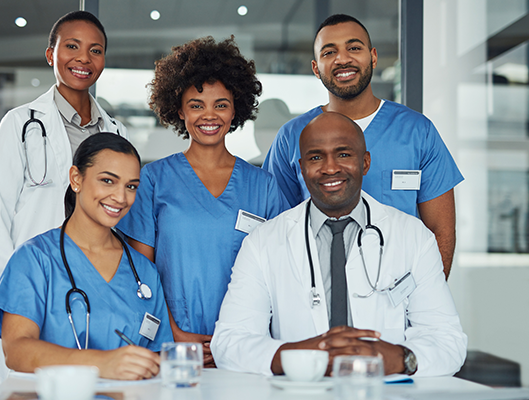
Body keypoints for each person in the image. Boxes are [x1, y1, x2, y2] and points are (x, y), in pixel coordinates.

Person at [212, 112, 467, 377]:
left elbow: (449, 342)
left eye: (343, 154)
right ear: (301, 168)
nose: (330, 168)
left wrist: (399, 358)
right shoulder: (262, 243)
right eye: (315, 157)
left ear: (365, 162)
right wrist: (297, 355)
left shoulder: (414, 237)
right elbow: (229, 343)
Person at [0, 11, 129, 388]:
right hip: (29, 286)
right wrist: (2, 305)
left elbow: (119, 215)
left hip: (90, 286)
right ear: (51, 54)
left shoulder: (116, 131)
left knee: (90, 385)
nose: (84, 58)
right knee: (29, 387)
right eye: (72, 46)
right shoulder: (19, 123)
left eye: (95, 50)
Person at [116, 36, 289, 366]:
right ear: (179, 109)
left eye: (220, 104)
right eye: (196, 105)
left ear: (236, 108)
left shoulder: (263, 187)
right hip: (173, 342)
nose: (209, 115)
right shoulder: (153, 180)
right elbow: (140, 273)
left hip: (247, 342)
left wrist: (242, 339)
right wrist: (173, 333)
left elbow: (278, 274)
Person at [262, 14, 463, 279]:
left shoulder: (417, 132)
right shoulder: (292, 137)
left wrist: (421, 304)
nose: (342, 59)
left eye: (354, 48)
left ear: (373, 57)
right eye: (329, 51)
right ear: (315, 67)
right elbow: (275, 229)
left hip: (397, 300)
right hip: (314, 298)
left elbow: (441, 231)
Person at [0, 133, 173, 380]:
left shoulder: (144, 272)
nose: (121, 197)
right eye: (108, 181)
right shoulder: (34, 260)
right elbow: (16, 350)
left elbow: (160, 355)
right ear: (76, 179)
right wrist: (101, 364)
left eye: (131, 186)